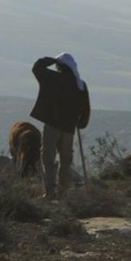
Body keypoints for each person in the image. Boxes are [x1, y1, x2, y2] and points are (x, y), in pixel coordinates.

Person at [30, 53, 90, 199]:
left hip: (52, 125)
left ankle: (50, 191)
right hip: (69, 129)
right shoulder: (80, 84)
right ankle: (63, 192)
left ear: (59, 66)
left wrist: (51, 59)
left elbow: (37, 68)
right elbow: (86, 107)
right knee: (65, 160)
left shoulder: (53, 78)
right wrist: (81, 123)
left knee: (48, 158)